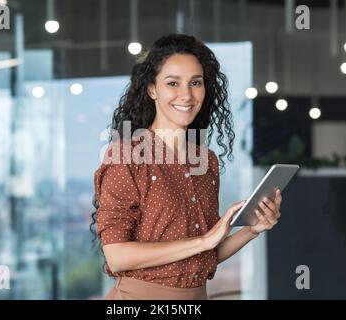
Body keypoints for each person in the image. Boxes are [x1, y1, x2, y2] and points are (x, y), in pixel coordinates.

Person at [91, 34, 282, 300]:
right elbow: (117, 256)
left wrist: (251, 230)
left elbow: (205, 254)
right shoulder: (127, 156)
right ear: (152, 89)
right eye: (173, 83)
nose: (187, 95)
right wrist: (204, 241)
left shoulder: (206, 161)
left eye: (196, 82)